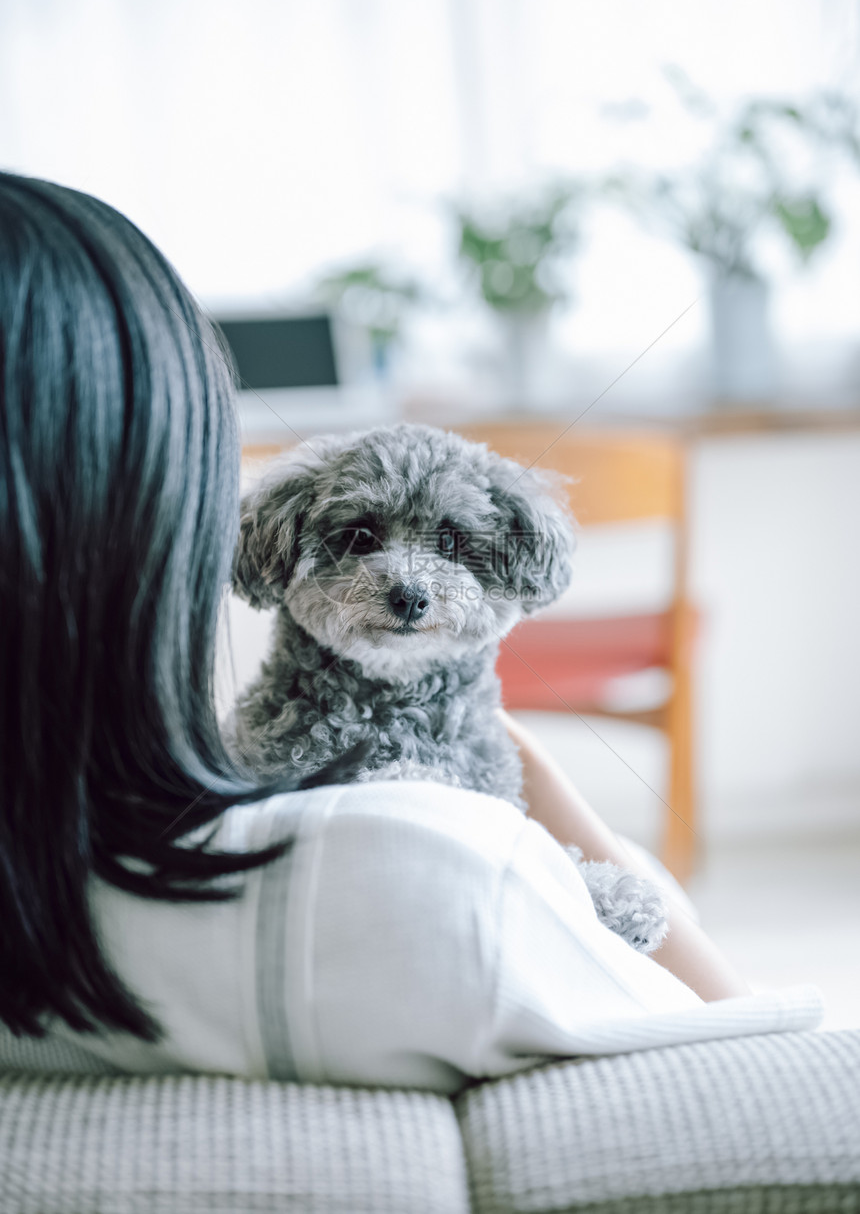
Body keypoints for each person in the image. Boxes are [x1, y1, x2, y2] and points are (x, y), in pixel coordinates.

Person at [0, 173, 820, 1091]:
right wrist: (567, 830)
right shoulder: (421, 873)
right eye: (357, 541)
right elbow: (756, 1046)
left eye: (451, 548)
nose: (408, 587)